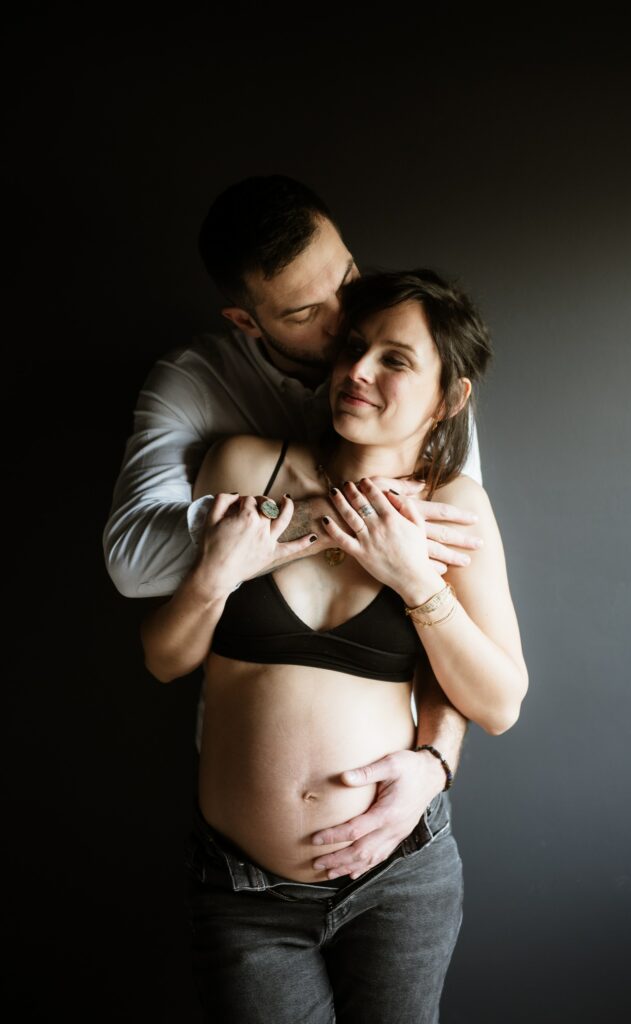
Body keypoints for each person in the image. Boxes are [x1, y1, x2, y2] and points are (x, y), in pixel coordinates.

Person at [140, 268, 528, 1022]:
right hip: (244, 896)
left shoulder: (454, 508)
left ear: (449, 398)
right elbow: (164, 660)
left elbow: (499, 703)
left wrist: (413, 577)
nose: (356, 371)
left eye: (394, 359)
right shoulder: (245, 466)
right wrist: (214, 575)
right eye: (353, 348)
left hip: (401, 879)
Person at [102, 176, 485, 879]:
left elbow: (447, 597)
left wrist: (435, 763)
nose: (345, 323)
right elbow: (133, 561)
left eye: (346, 279)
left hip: (398, 845)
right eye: (307, 312)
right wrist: (320, 513)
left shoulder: (417, 382)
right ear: (248, 322)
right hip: (238, 858)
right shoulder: (198, 388)